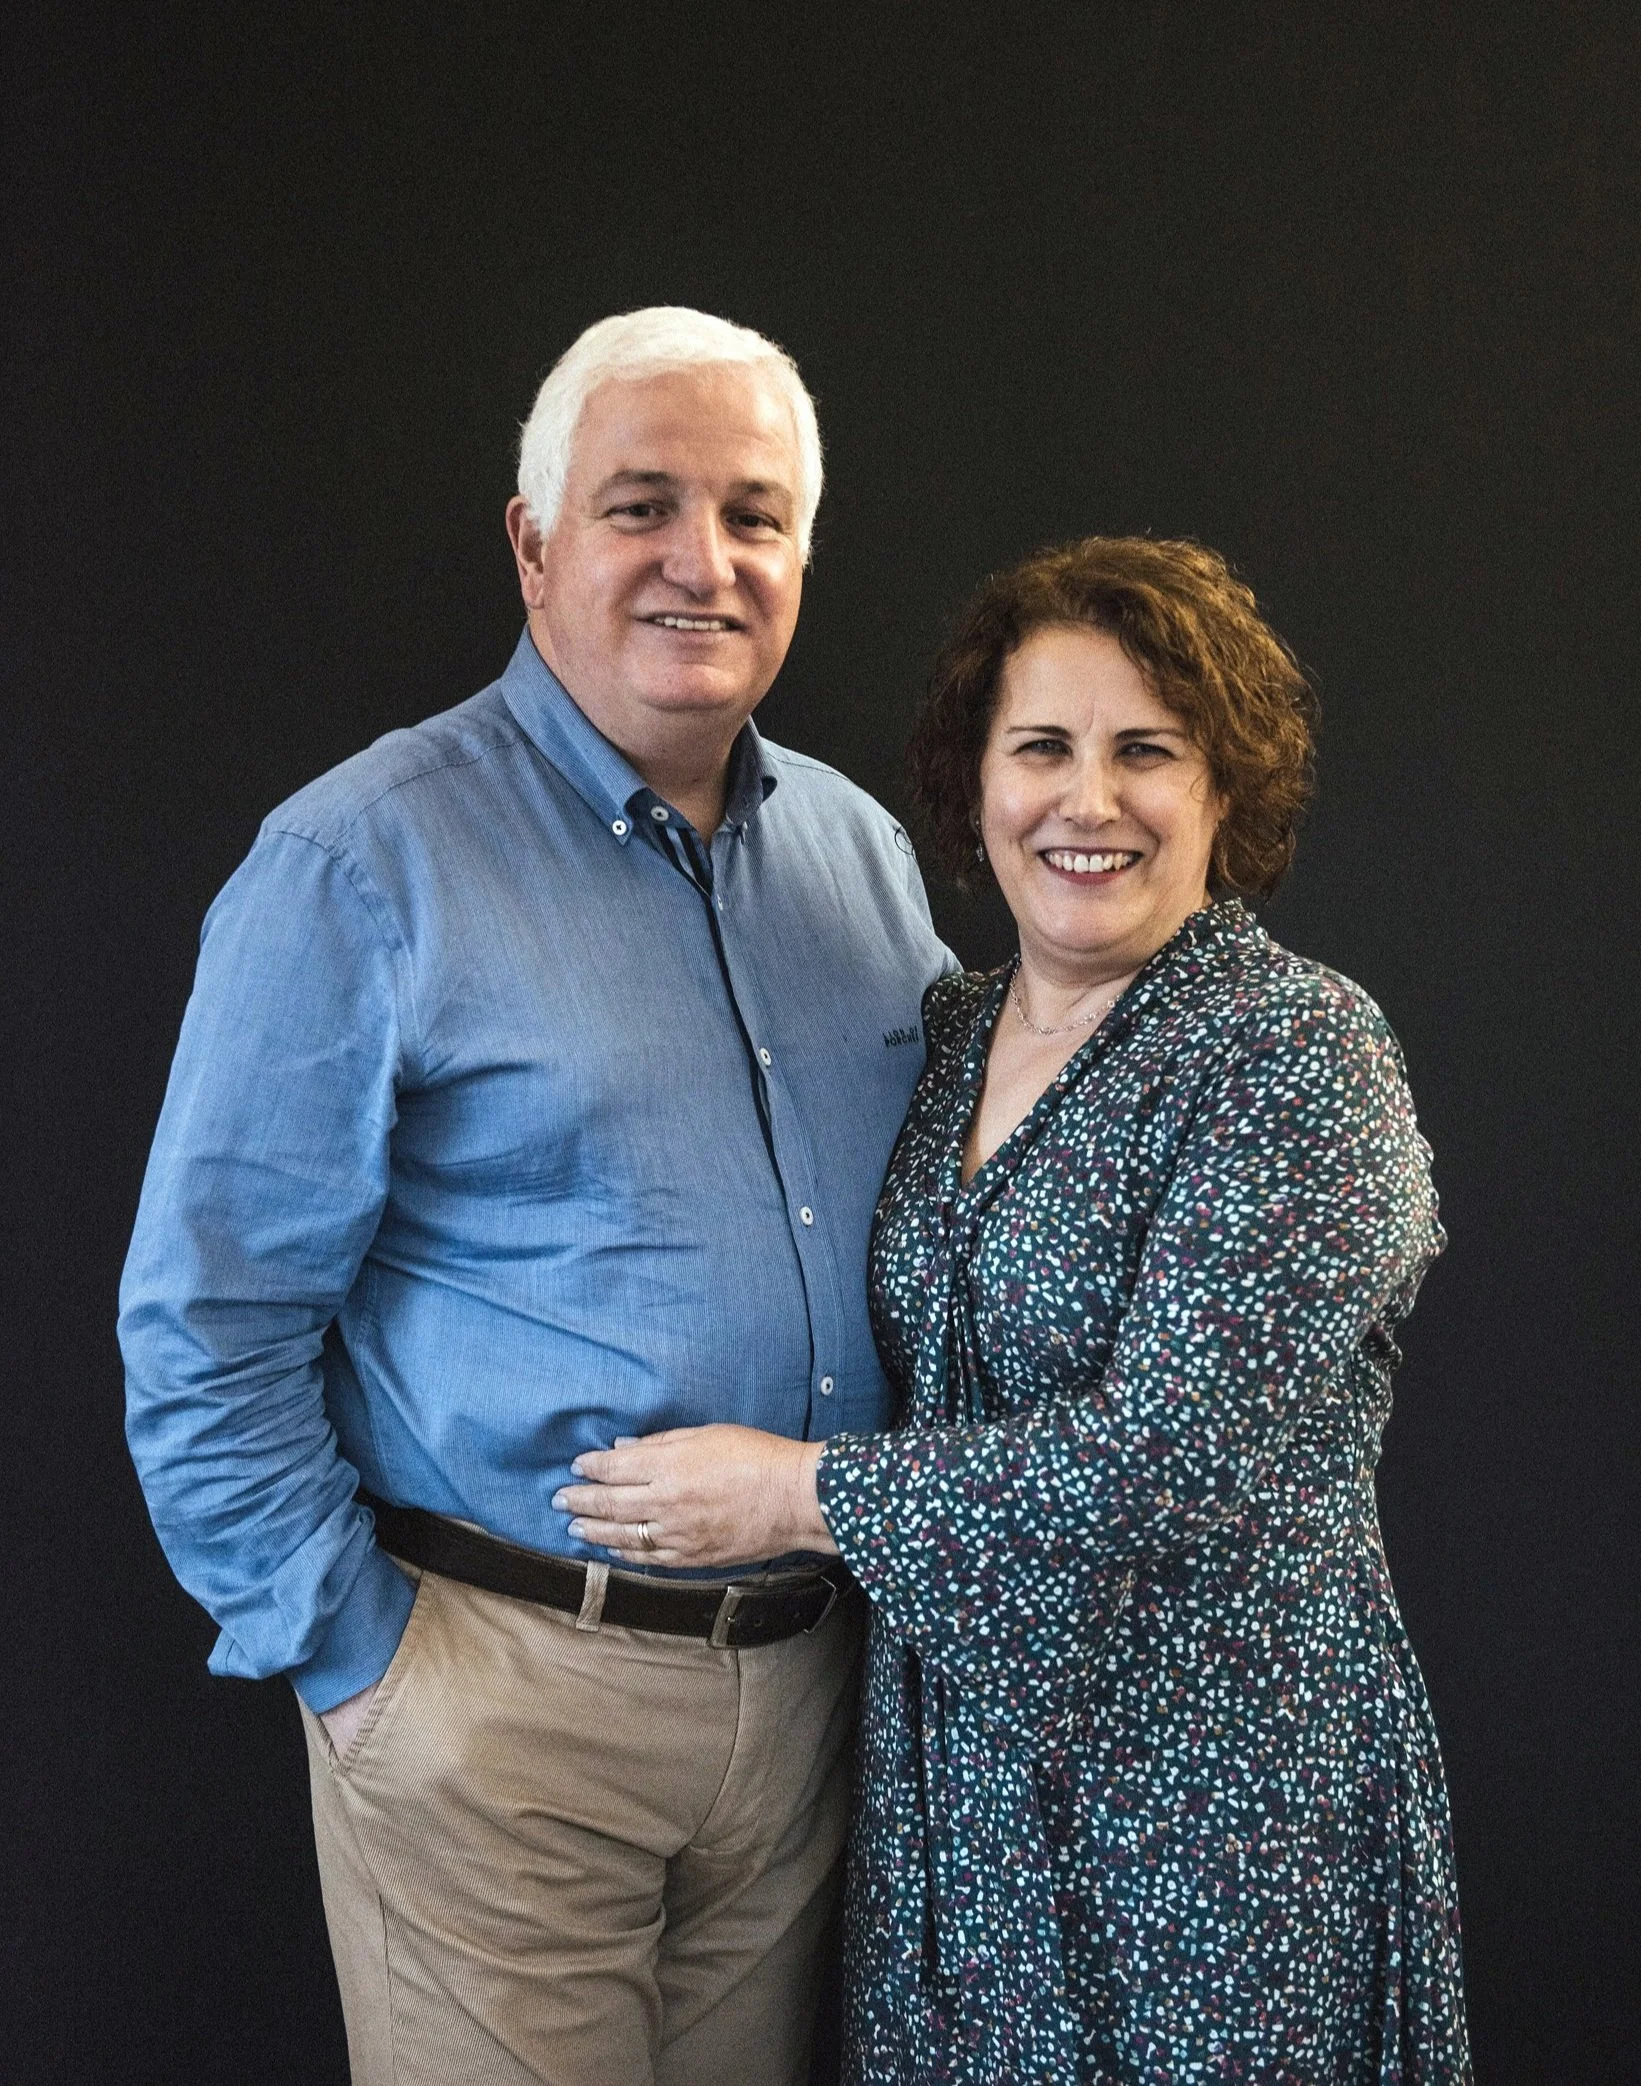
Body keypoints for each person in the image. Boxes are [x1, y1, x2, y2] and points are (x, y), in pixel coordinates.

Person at [120, 306, 954, 2086]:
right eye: (641, 505)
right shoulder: (360, 861)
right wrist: (364, 1670)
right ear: (533, 542)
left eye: (754, 515)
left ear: (803, 556)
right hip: (502, 1706)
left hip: (813, 1702)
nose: (702, 562)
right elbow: (206, 1325)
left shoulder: (863, 857)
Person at [562, 537, 1472, 2081]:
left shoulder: (1296, 1053)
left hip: (1216, 1818)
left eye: (1146, 752)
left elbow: (1168, 1456)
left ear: (1226, 790)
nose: (1086, 800)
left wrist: (792, 1494)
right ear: (977, 787)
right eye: (1041, 747)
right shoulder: (949, 1036)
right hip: (960, 1813)